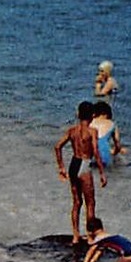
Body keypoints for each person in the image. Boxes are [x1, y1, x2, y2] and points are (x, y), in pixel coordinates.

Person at [53, 101, 99, 244]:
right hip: (84, 164)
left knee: (76, 202)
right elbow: (96, 152)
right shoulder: (92, 131)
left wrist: (61, 167)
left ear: (78, 114)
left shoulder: (72, 131)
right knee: (90, 203)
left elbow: (57, 146)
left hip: (74, 163)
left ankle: (75, 235)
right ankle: (91, 235)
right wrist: (102, 174)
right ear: (93, 115)